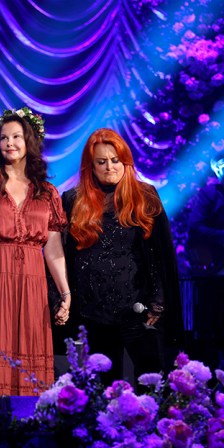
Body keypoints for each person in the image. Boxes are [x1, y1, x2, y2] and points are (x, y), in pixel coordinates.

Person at [0, 107, 70, 434]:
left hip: (31, 284)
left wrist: (65, 292)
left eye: (16, 136)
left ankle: (20, 447)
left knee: (26, 364)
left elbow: (53, 247)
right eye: (4, 138)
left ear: (29, 141)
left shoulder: (47, 192)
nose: (9, 143)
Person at [62, 128, 183, 385]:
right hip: (92, 313)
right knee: (103, 392)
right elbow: (65, 255)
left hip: (139, 309)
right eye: (101, 162)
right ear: (90, 166)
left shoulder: (145, 195)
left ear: (125, 161)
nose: (109, 167)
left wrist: (158, 303)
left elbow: (161, 254)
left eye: (115, 160)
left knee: (151, 387)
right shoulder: (73, 200)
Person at [185, 152, 224, 371]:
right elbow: (195, 227)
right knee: (211, 328)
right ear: (217, 170)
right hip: (214, 273)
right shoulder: (209, 194)